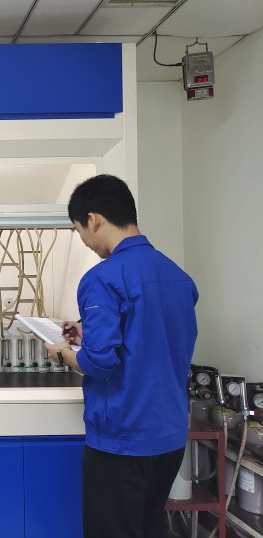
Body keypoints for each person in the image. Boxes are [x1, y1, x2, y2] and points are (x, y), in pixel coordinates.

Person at [44, 175, 198, 538]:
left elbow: (99, 363)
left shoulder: (102, 278)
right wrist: (87, 333)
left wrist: (63, 353)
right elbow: (151, 338)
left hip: (122, 440)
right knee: (149, 526)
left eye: (79, 230)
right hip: (170, 437)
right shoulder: (178, 276)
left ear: (93, 219)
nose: (83, 240)